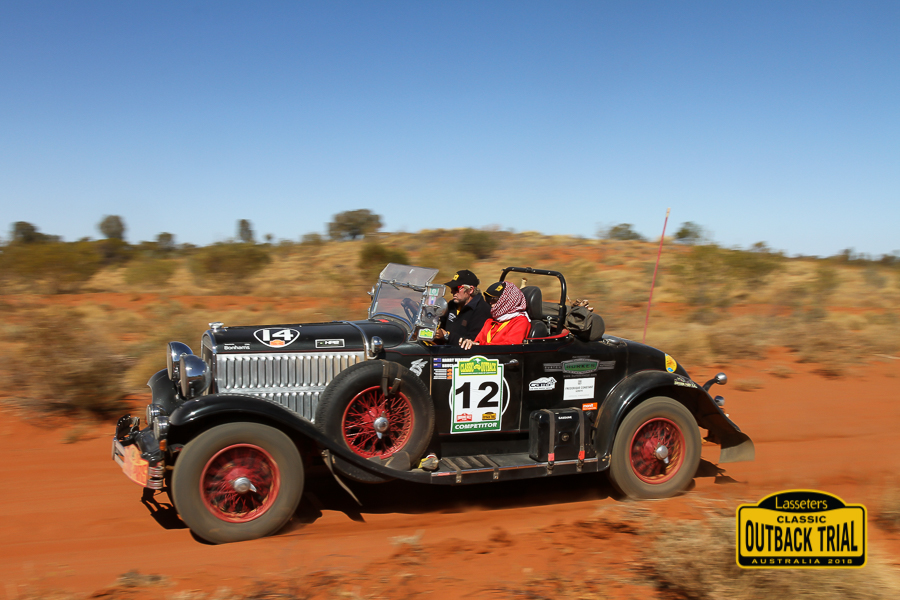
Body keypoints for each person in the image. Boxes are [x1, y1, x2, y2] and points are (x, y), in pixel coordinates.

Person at [460, 281, 531, 349]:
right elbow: (478, 342)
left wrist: (480, 345)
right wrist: (469, 343)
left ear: (508, 300)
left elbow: (510, 348)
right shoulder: (490, 321)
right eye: (490, 299)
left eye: (495, 299)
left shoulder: (520, 321)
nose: (491, 302)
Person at [435, 269, 491, 346]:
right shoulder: (452, 305)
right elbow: (441, 327)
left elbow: (472, 342)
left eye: (456, 289)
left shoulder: (482, 309)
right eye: (451, 288)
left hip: (464, 352)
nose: (452, 292)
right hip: (445, 349)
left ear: (470, 290)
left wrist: (447, 336)